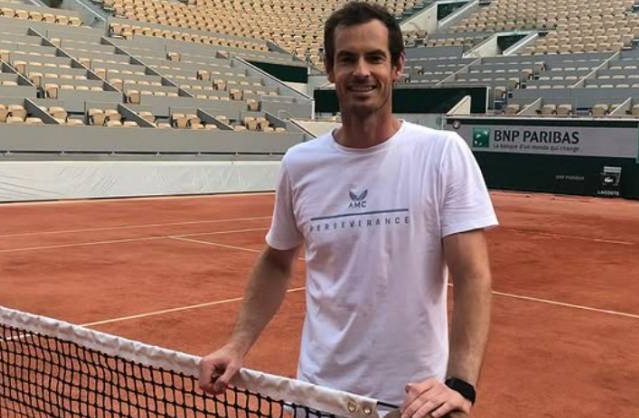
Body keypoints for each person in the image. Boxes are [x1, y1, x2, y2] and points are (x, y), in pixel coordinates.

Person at [198, 3, 498, 417]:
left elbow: (473, 275)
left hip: (412, 402)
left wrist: (460, 383)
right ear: (329, 68)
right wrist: (237, 344)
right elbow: (277, 261)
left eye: (375, 57)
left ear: (397, 67)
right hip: (318, 397)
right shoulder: (300, 164)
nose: (361, 71)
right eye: (347, 59)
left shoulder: (443, 153)